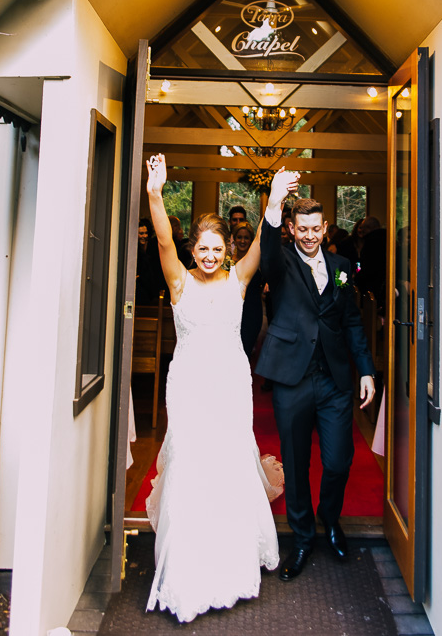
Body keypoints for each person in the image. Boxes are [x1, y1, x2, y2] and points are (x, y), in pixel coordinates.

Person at [144, 155, 293, 623]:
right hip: (189, 390)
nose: (208, 256)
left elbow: (264, 248)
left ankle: (229, 564)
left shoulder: (240, 280)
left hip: (229, 390)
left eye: (216, 249)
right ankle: (187, 569)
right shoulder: (179, 283)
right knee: (191, 470)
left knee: (226, 468)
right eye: (201, 249)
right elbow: (163, 238)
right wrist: (155, 193)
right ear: (193, 250)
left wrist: (274, 202)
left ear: (227, 250)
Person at [256, 187, 376, 581]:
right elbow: (268, 252)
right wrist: (274, 205)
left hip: (335, 380)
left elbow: (353, 321)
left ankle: (331, 519)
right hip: (292, 378)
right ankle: (303, 537)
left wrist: (365, 370)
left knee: (339, 461)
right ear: (292, 229)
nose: (308, 235)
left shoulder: (342, 265)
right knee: (295, 461)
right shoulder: (280, 261)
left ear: (325, 228)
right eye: (301, 228)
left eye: (315, 229)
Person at [233, 221, 264, 358]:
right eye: (239, 237)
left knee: (244, 352)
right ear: (234, 239)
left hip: (251, 314)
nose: (242, 241)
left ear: (251, 239)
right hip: (231, 313)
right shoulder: (226, 261)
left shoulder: (258, 261)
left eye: (246, 238)